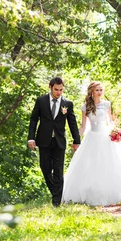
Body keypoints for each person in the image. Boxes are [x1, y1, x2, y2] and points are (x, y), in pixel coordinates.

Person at [62, 81, 121, 206]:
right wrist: (76, 140)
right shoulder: (85, 107)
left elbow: (110, 121)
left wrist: (115, 132)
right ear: (91, 92)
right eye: (97, 90)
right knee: (90, 165)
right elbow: (83, 126)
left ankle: (112, 194)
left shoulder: (106, 104)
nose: (99, 92)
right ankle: (91, 194)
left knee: (108, 164)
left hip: (105, 136)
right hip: (91, 137)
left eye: (101, 90)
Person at [28, 77, 81, 207]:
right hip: (44, 140)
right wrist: (31, 138)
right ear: (50, 87)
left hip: (59, 142)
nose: (58, 92)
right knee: (45, 169)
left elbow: (72, 122)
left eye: (61, 90)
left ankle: (56, 202)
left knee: (58, 171)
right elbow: (34, 119)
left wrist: (77, 140)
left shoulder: (67, 103)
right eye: (56, 89)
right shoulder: (41, 101)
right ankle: (56, 193)